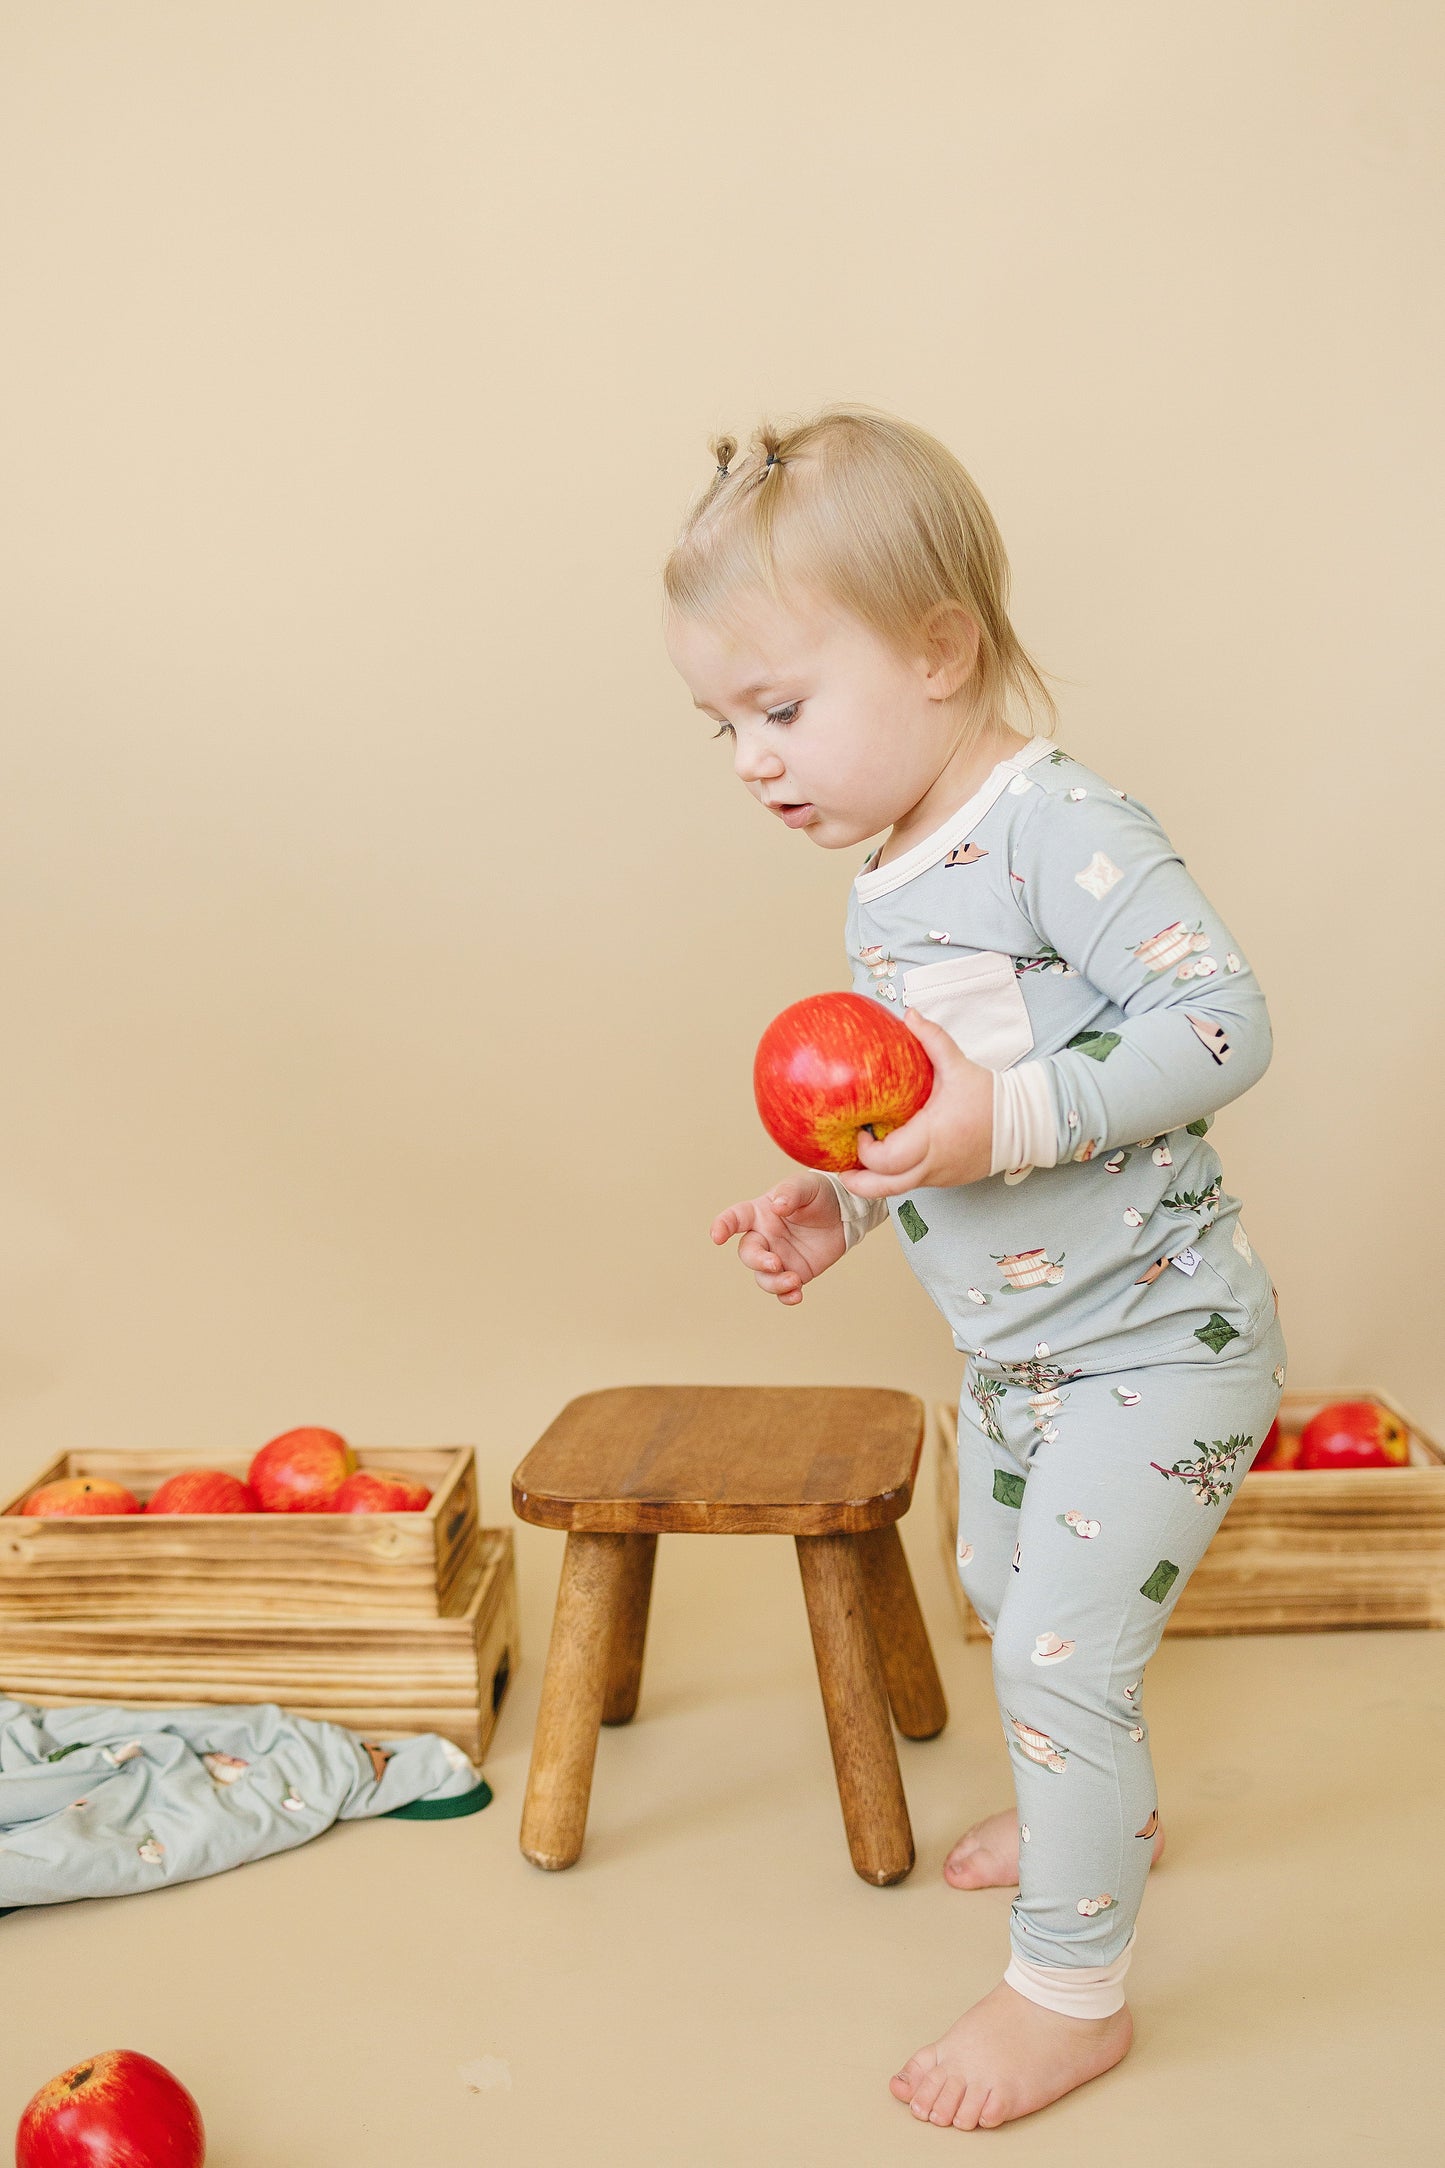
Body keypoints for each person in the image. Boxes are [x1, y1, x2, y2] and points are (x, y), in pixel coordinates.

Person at [660, 405, 1286, 2132]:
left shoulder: (1053, 824)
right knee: (1014, 1609)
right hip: (1022, 1358)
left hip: (1160, 1347)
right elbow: (930, 1107)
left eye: (779, 710)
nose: (749, 761)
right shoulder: (888, 882)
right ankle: (1104, 1809)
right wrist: (835, 1198)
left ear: (939, 650)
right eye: (720, 726)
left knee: (1057, 1663)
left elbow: (1217, 1020)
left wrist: (1000, 1117)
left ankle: (1066, 1992)